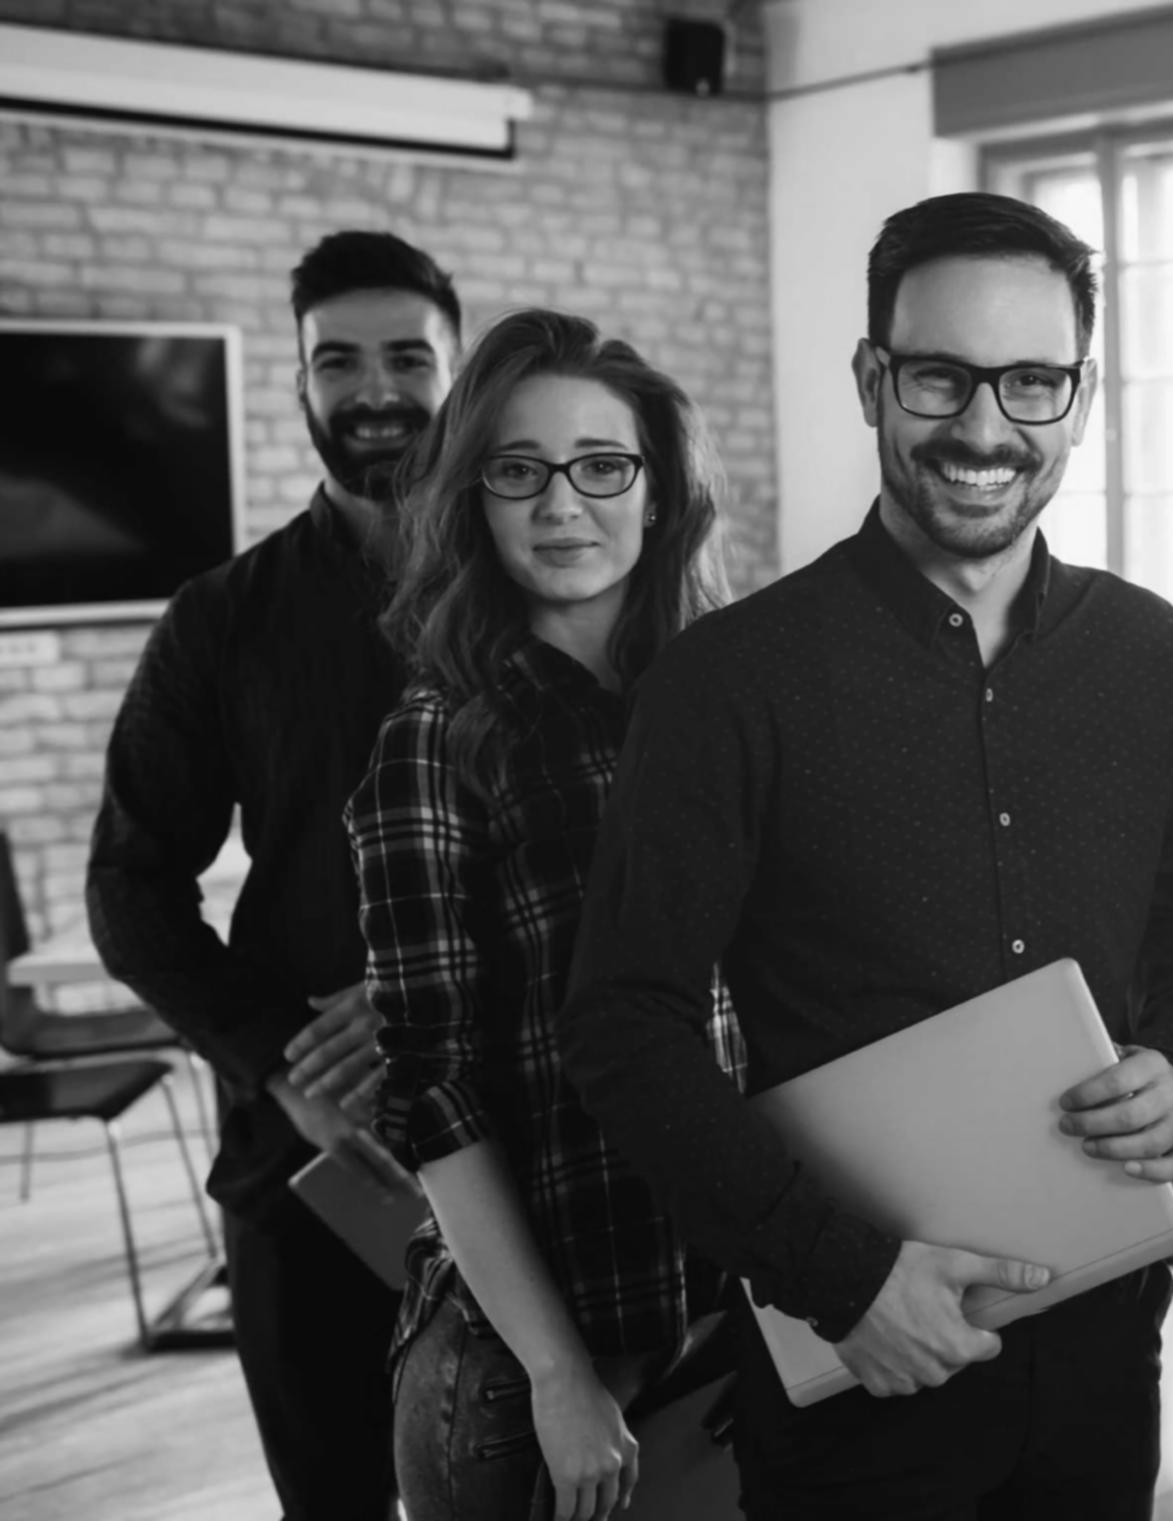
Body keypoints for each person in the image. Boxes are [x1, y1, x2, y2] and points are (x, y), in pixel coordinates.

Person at [556, 191, 1173, 1520]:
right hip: (855, 1366)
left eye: (1033, 382)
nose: (987, 429)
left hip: (1106, 1342)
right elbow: (622, 1024)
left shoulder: (1154, 658)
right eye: (942, 375)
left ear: (1082, 397)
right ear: (874, 379)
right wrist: (846, 1277)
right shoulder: (729, 684)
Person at [86, 230, 460, 1520]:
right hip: (318, 1157)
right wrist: (285, 1069)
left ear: (457, 374)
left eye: (408, 357)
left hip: (540, 1121)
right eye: (337, 361)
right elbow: (131, 892)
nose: (375, 390)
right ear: (298, 385)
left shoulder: (552, 583)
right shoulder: (220, 620)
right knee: (336, 1495)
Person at [346, 309, 743, 1521]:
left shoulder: (726, 702)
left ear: (659, 490)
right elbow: (434, 1089)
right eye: (520, 472)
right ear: (476, 496)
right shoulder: (439, 736)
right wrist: (561, 1373)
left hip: (736, 1313)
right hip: (534, 1374)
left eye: (602, 467)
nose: (563, 505)